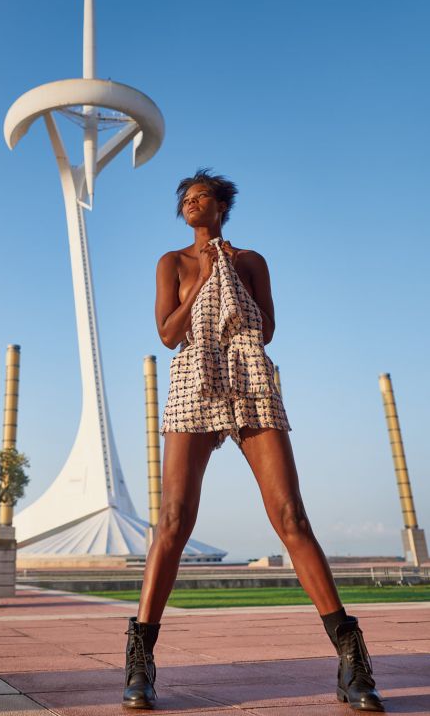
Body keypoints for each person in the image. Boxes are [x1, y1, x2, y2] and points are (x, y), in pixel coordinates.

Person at [122, 169, 384, 712]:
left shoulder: (252, 260)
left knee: (290, 515)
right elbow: (169, 334)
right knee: (173, 519)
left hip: (249, 374)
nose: (191, 205)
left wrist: (228, 269)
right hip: (194, 376)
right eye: (185, 200)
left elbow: (265, 328)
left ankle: (351, 657)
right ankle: (140, 660)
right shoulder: (172, 262)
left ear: (221, 205)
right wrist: (203, 278)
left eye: (201, 198)